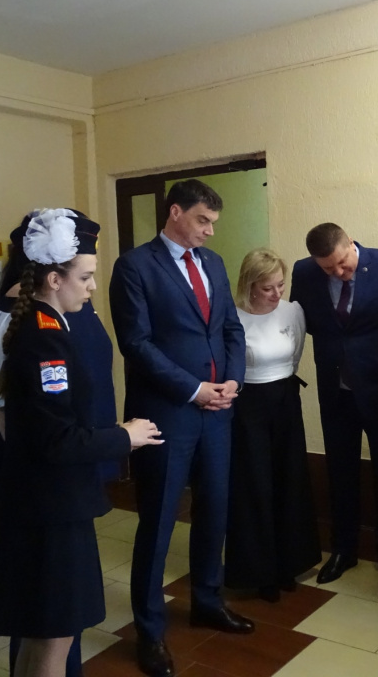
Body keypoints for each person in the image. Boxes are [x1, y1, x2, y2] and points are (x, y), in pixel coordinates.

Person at [0, 208, 163, 677]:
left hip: (48, 499)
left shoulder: (47, 324)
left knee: (42, 631)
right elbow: (54, 439)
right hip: (51, 505)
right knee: (55, 635)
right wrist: (125, 436)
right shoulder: (45, 338)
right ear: (53, 278)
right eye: (84, 277)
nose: (91, 287)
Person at [109, 179, 251, 677]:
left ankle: (207, 600)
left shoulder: (213, 263)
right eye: (202, 221)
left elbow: (230, 328)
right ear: (174, 213)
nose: (210, 232)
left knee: (215, 510)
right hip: (166, 414)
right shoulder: (134, 266)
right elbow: (137, 343)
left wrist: (233, 380)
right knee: (159, 520)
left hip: (218, 412)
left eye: (213, 223)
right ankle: (150, 630)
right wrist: (193, 389)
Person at [290, 223, 378, 591]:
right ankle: (343, 550)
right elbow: (306, 321)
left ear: (350, 242)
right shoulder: (304, 272)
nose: (338, 273)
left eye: (342, 263)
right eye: (328, 268)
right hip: (336, 391)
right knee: (340, 473)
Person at [224, 248, 320, 602]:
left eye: (281, 285)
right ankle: (259, 571)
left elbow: (295, 354)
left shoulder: (292, 311)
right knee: (255, 485)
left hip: (285, 401)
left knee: (289, 479)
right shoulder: (233, 317)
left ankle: (289, 563)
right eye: (267, 288)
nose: (277, 293)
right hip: (248, 405)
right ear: (249, 285)